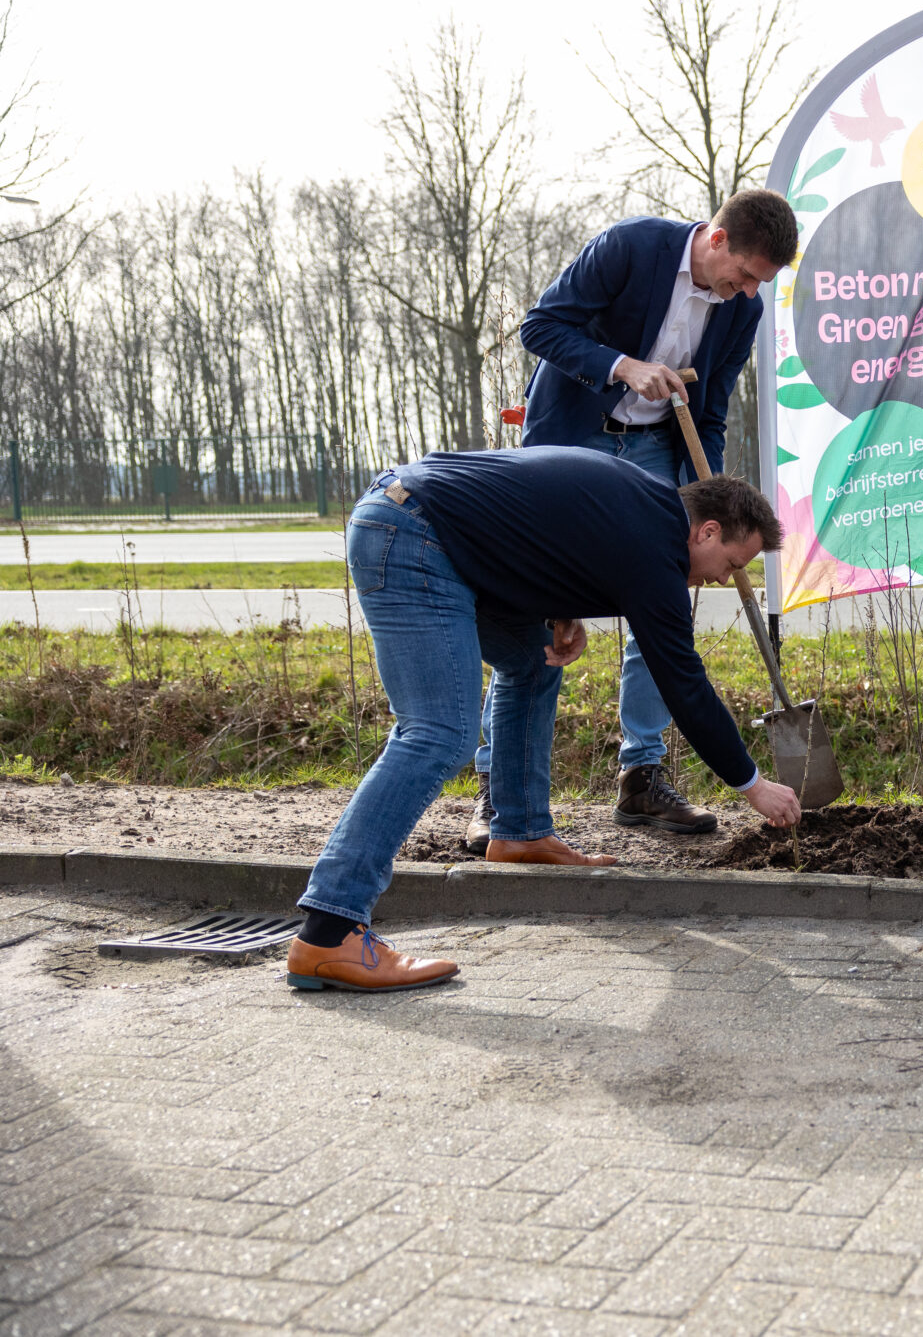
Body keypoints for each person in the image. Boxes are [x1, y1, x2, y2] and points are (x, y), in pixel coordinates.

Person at [285, 450, 802, 993]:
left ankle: (520, 831)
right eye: (734, 563)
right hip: (415, 533)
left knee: (534, 660)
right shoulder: (656, 548)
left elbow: (541, 523)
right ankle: (330, 929)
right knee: (438, 732)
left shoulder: (643, 508)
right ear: (708, 531)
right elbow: (683, 683)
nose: (726, 579)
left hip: (419, 520)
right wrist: (752, 784)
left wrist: (559, 607)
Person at [465, 189, 799, 854]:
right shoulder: (632, 248)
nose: (746, 292)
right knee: (535, 608)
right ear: (717, 240)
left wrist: (712, 496)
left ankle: (642, 774)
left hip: (657, 451)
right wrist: (623, 367)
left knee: (664, 600)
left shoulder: (744, 309)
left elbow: (712, 402)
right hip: (576, 436)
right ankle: (498, 789)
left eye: (760, 283)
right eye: (746, 274)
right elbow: (541, 327)